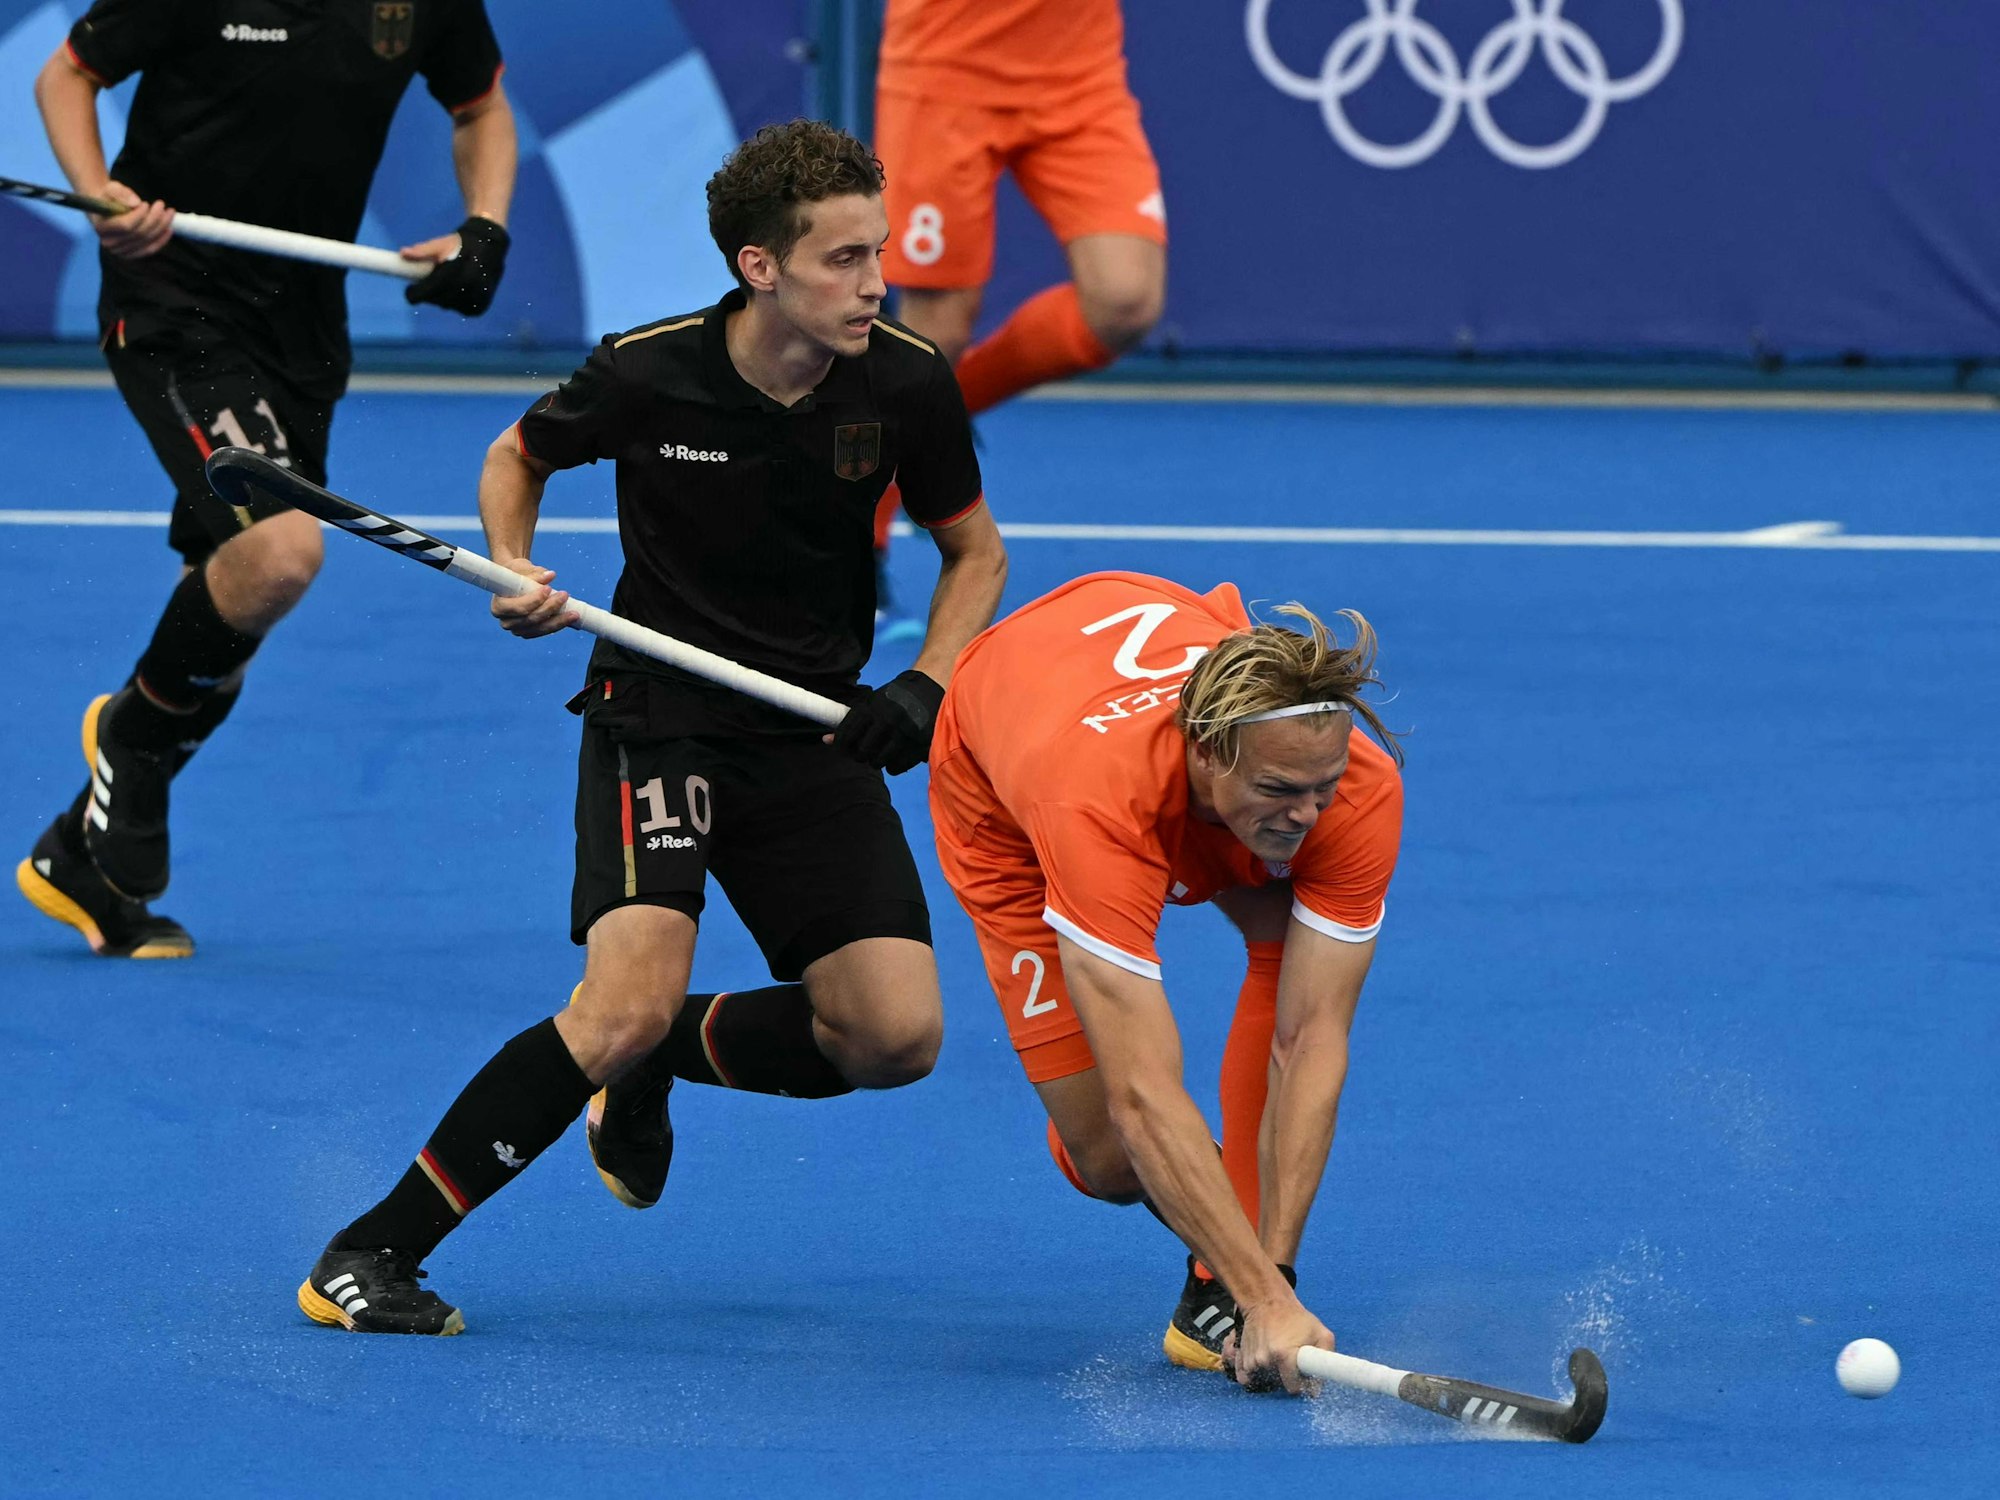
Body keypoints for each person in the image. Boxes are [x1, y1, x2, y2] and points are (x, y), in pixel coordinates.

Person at [298, 120, 1008, 1335]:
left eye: (876, 253)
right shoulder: (648, 370)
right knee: (615, 1003)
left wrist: (926, 684)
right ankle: (371, 1253)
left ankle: (658, 1060)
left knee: (892, 1036)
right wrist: (515, 567)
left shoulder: (903, 379)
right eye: (843, 259)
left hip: (811, 730)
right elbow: (517, 456)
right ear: (759, 267)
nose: (876, 283)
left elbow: (973, 553)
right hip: (660, 716)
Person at [16, 0, 518, 958]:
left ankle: (79, 855)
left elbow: (481, 108)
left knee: (227, 609)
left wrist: (482, 227)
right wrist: (97, 196)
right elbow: (66, 75)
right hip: (173, 294)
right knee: (281, 551)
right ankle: (129, 741)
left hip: (301, 323)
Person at [927, 571, 1403, 1392]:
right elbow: (1143, 1093)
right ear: (1211, 749)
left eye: (1322, 787)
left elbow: (1311, 1037)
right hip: (1011, 773)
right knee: (1113, 1155)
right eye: (1282, 791)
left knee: (1288, 941)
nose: (1307, 814)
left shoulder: (1354, 790)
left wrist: (1272, 1284)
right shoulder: (1091, 804)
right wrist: (1254, 1292)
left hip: (1142, 681)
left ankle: (1229, 1274)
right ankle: (1224, 1257)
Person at [865, 0, 1165, 632]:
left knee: (1124, 301)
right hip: (946, 66)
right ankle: (864, 532)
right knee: (937, 333)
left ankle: (943, 407)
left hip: (1077, 72)